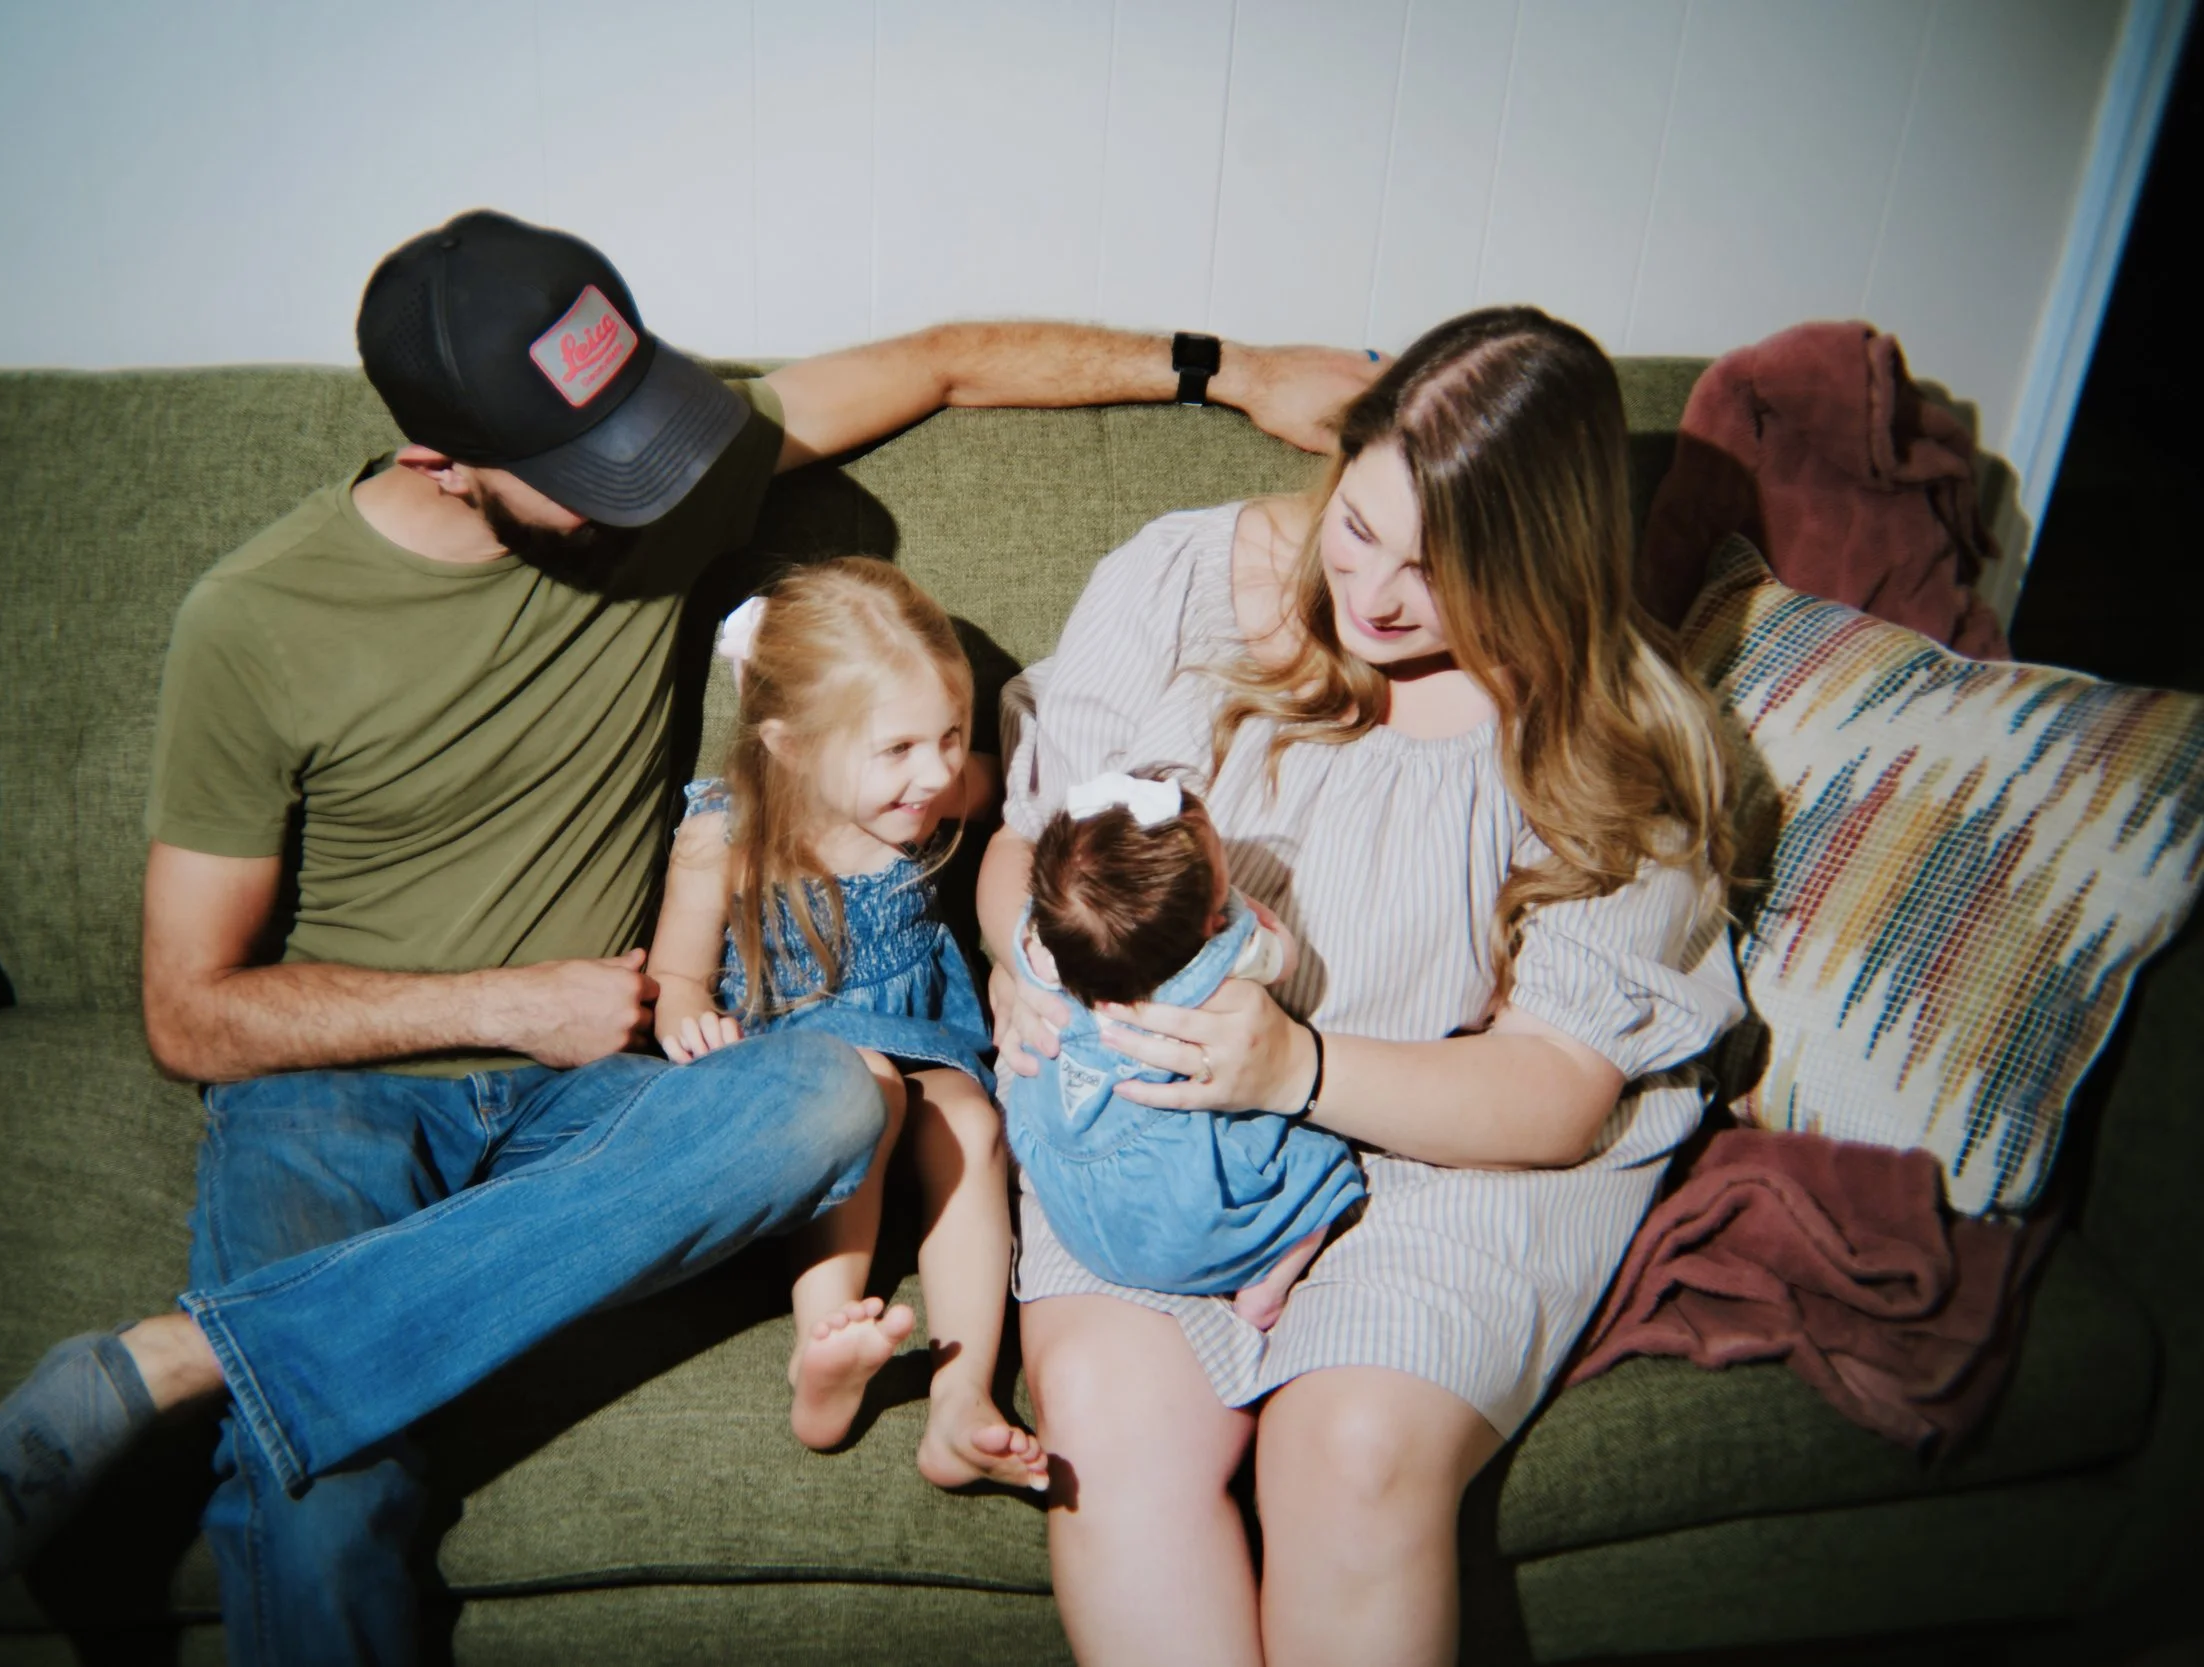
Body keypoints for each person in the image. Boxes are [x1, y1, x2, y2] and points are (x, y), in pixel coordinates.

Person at [0, 208, 1379, 1664]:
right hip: (341, 1099)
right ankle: (220, 1369)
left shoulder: (662, 481)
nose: (646, 491)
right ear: (442, 460)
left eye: (639, 434)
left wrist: (1233, 369)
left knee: (831, 1092)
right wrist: (504, 1003)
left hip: (611, 1096)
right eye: (590, 472)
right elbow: (190, 1012)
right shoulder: (254, 621)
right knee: (329, 1493)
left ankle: (181, 1356)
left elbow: (941, 360)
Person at [979, 305, 1745, 1667]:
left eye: (1439, 571)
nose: (1376, 595)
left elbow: (1556, 1089)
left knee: (1351, 1450)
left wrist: (1301, 1069)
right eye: (1359, 526)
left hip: (1449, 1152)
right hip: (1167, 1127)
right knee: (1103, 1408)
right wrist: (1018, 964)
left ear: (1541, 566)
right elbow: (1031, 848)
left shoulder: (1611, 738)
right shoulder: (1185, 582)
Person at [648, 559, 1043, 1491]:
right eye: (898, 747)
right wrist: (686, 1012)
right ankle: (821, 1352)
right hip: (799, 1075)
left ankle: (961, 1399)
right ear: (788, 746)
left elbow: (1031, 800)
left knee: (972, 1120)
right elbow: (675, 973)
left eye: (950, 735)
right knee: (867, 1088)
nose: (937, 770)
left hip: (924, 1038)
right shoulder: (725, 835)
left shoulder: (931, 794)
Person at [1006, 769, 1361, 1331]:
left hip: (1074, 1207)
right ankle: (1267, 1282)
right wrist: (1255, 921)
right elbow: (1283, 960)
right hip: (1181, 1220)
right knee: (1326, 1168)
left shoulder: (1040, 943)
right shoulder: (1222, 963)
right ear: (1211, 922)